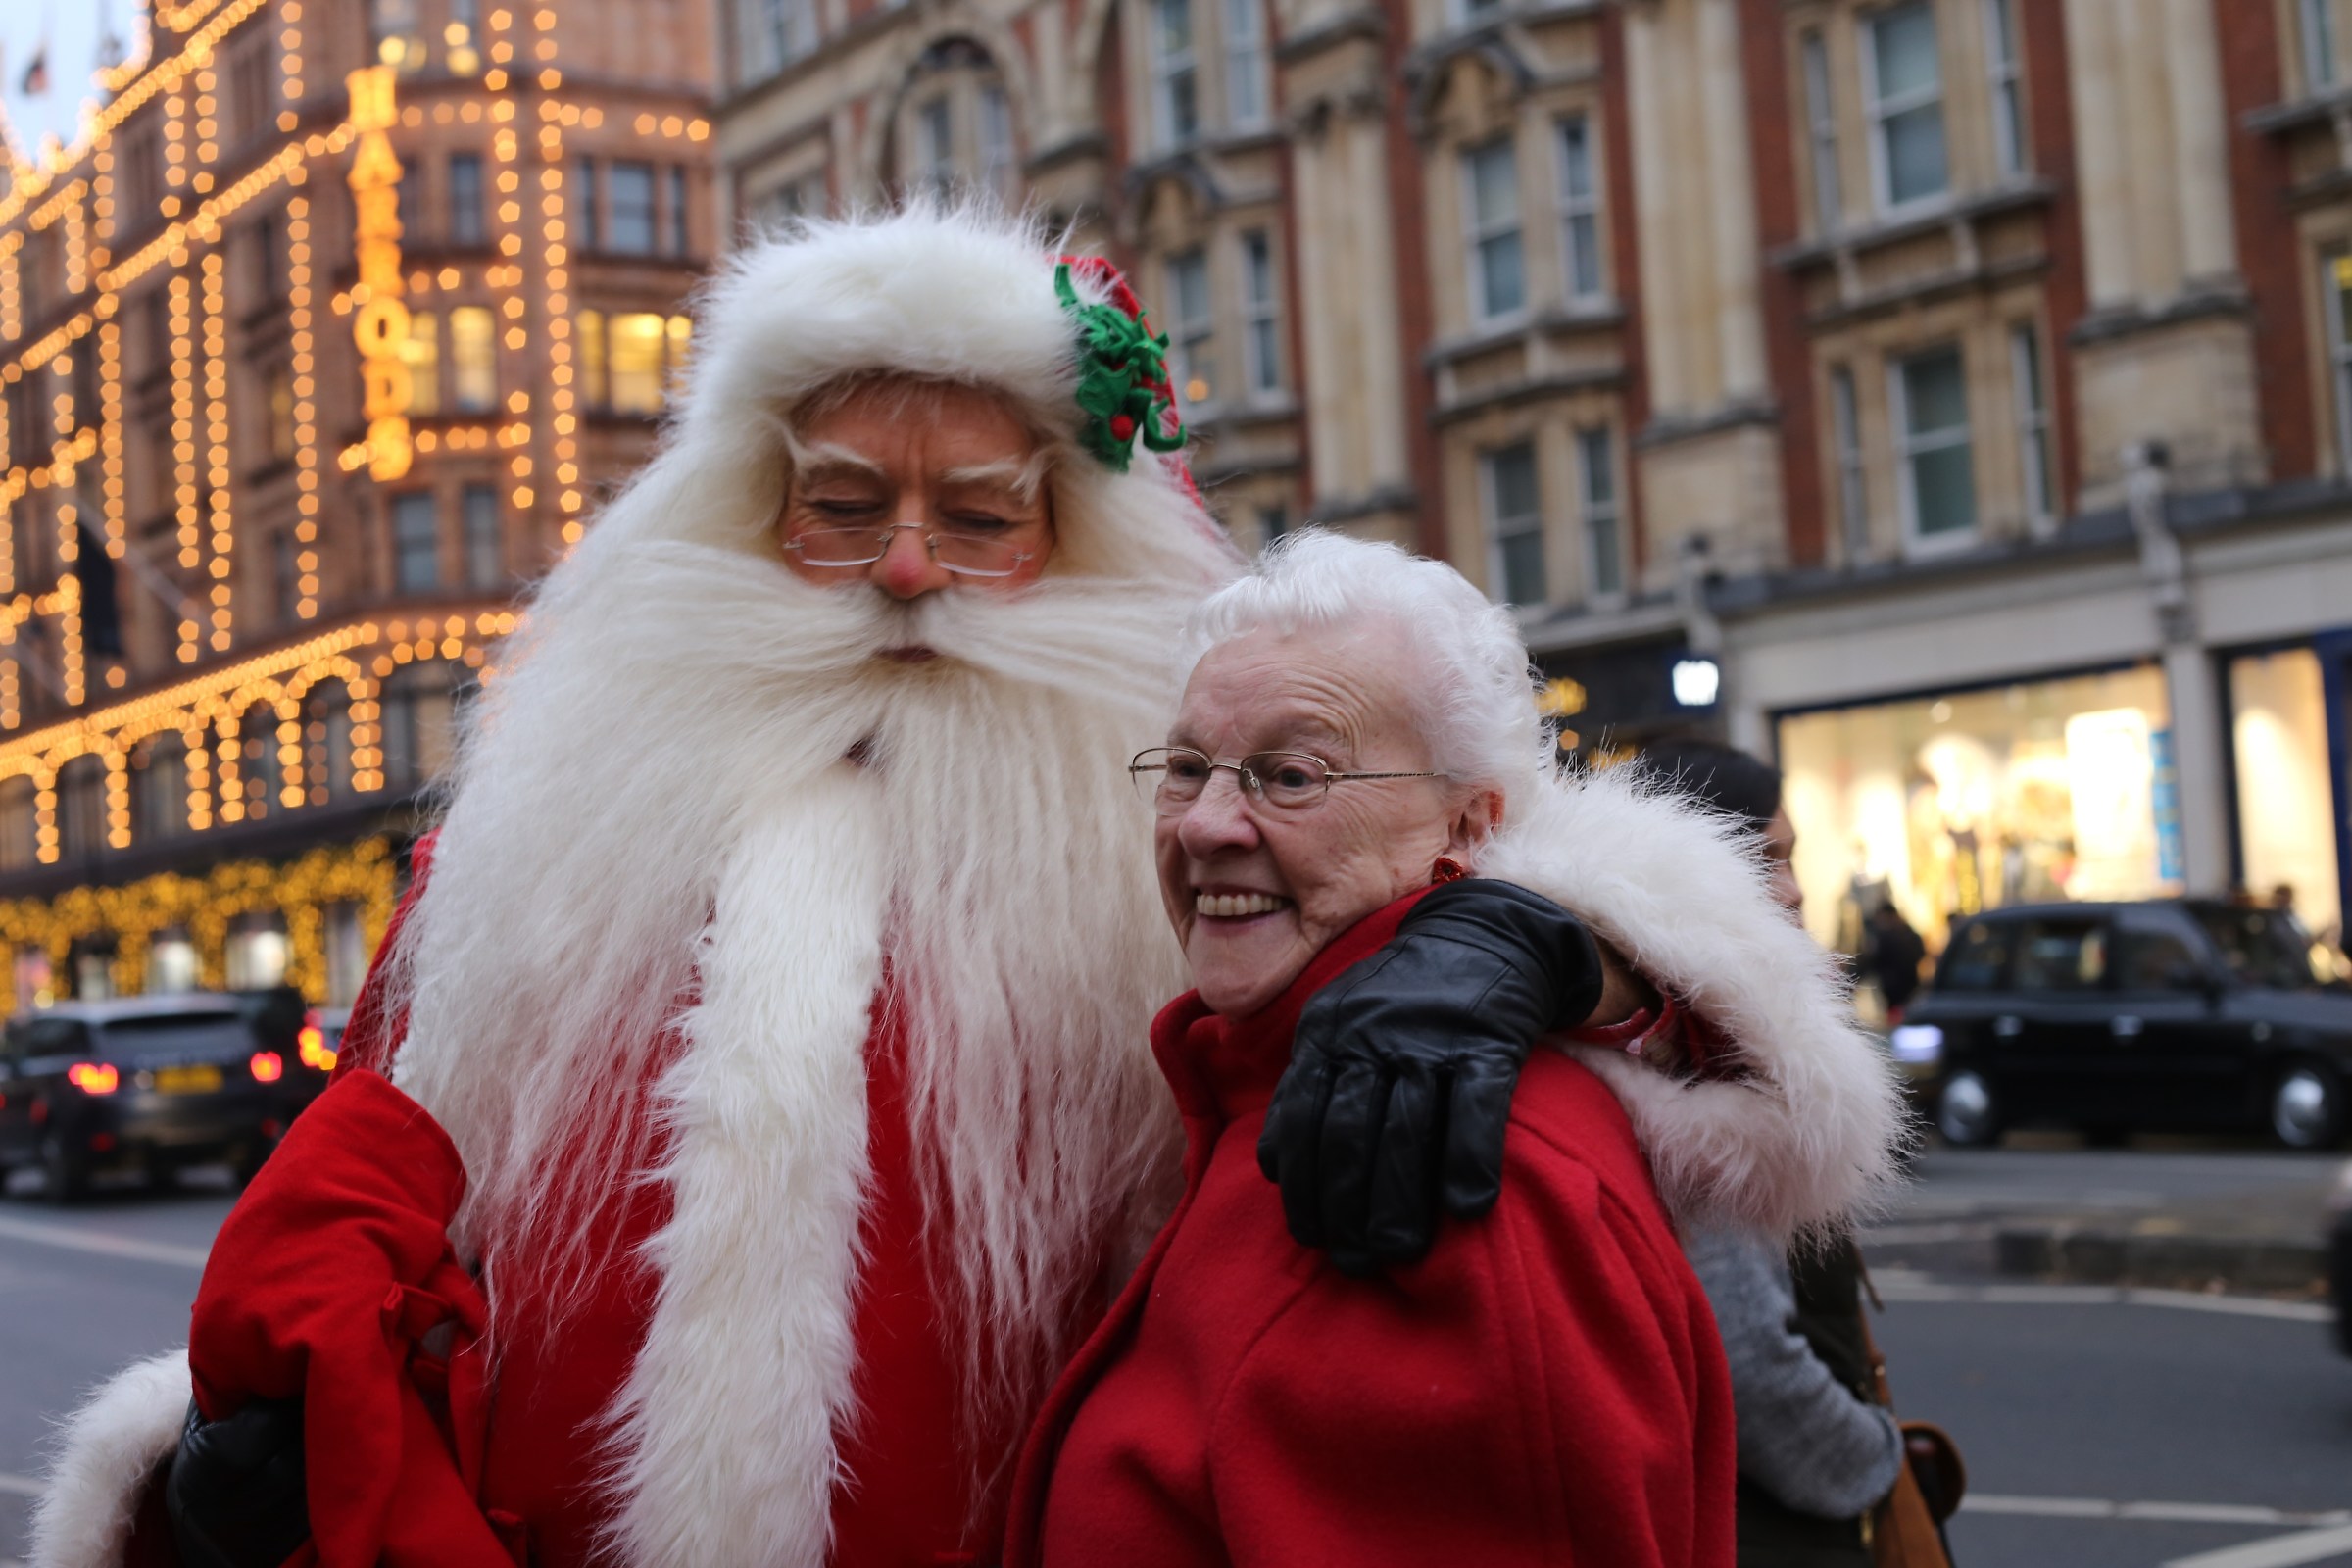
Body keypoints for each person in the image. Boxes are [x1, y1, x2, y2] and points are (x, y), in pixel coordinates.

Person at [29, 208, 1545, 1568]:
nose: (903, 566)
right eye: (839, 504)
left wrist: (1526, 944)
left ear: (1067, 534)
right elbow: (380, 1192)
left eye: (976, 519)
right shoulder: (550, 814)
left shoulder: (1188, 802)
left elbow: (1488, 854)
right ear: (758, 508)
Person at [1004, 534, 1905, 1567]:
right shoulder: (1296, 1082)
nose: (1207, 822)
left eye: (1291, 774)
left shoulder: (1460, 1154)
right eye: (1188, 767)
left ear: (1471, 822)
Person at [1642, 739, 1910, 1568]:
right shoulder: (1693, 1065)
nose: (1792, 889)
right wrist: (1873, 1453)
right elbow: (1748, 1359)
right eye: (1764, 858)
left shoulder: (1703, 1033)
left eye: (1792, 856)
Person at [1866, 902, 1929, 1023]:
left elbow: (1874, 961)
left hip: (1897, 987)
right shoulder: (1909, 933)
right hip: (1907, 985)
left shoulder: (1886, 937)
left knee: (1898, 1022)